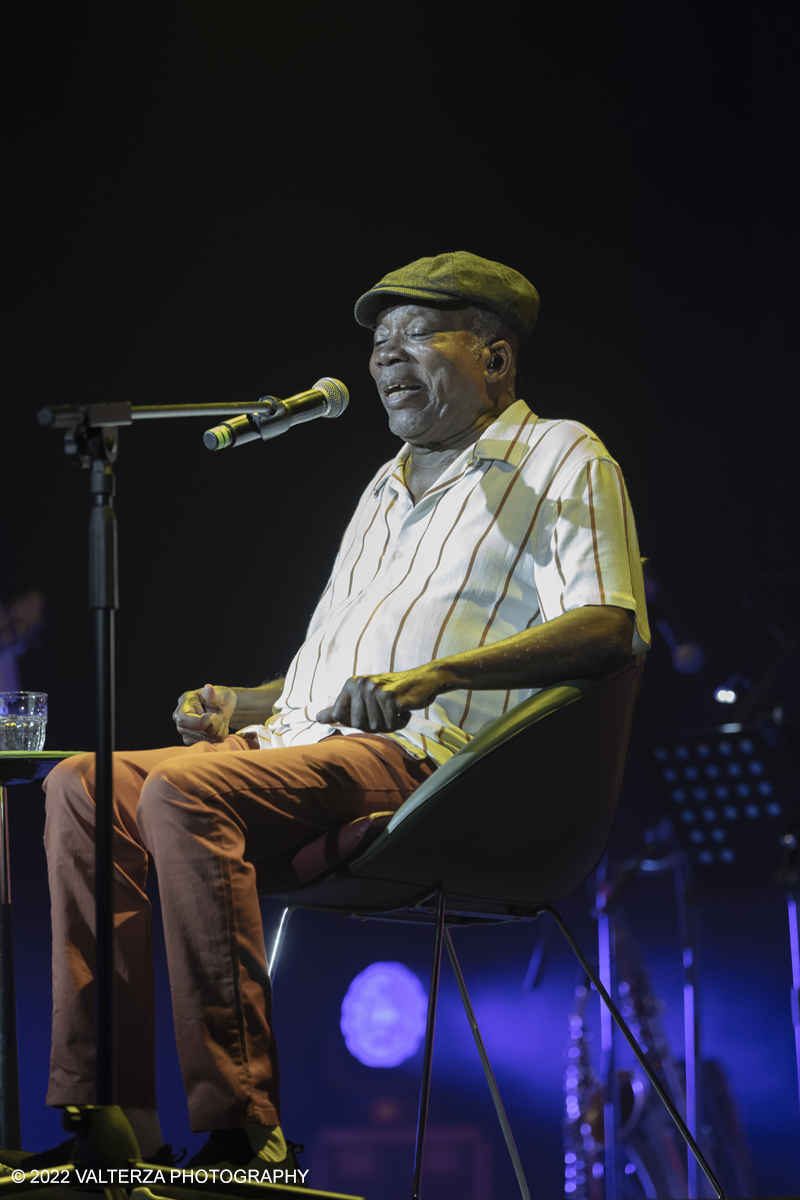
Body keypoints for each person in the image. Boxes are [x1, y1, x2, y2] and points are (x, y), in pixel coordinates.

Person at [0, 251, 649, 1175]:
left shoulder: (561, 454)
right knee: (80, 784)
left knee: (184, 799)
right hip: (299, 750)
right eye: (378, 342)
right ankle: (113, 1123)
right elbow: (333, 670)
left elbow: (611, 625)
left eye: (418, 335)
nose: (386, 358)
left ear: (496, 358)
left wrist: (436, 677)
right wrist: (247, 701)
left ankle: (242, 1132)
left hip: (429, 766)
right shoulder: (381, 489)